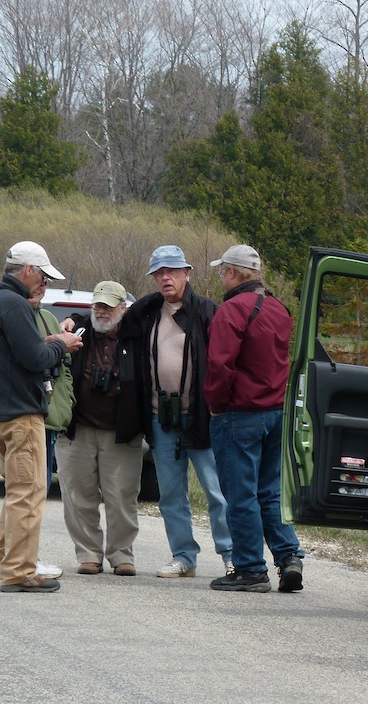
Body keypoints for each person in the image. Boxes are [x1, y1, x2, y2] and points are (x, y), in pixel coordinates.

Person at [119, 245, 233, 579]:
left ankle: (232, 555)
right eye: (159, 273)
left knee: (217, 491)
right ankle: (183, 557)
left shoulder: (207, 312)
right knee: (170, 493)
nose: (165, 278)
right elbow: (108, 321)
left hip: (201, 416)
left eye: (172, 271)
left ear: (187, 273)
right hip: (161, 417)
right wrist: (77, 320)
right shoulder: (146, 312)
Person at [0, 240, 83, 593]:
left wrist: (46, 342)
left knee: (16, 489)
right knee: (29, 491)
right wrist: (60, 346)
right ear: (28, 271)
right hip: (20, 413)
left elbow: (22, 351)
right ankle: (20, 571)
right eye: (43, 277)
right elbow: (35, 360)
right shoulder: (14, 304)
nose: (44, 285)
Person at [204, 245, 304, 594]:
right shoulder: (280, 309)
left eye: (222, 272)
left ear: (233, 273)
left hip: (241, 413)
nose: (221, 278)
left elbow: (219, 365)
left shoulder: (232, 311)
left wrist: (215, 404)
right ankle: (289, 555)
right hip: (276, 412)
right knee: (270, 491)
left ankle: (250, 568)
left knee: (241, 493)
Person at [56, 280, 144, 576]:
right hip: (77, 428)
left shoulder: (136, 336)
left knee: (121, 497)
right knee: (78, 495)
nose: (102, 311)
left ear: (123, 308)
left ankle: (121, 554)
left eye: (108, 306)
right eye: (97, 306)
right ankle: (88, 553)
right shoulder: (79, 333)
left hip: (121, 432)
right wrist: (78, 318)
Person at [27, 284, 73, 580]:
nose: (41, 288)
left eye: (45, 283)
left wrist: (66, 404)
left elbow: (63, 369)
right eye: (37, 281)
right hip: (27, 417)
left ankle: (21, 554)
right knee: (28, 492)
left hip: (50, 419)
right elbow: (29, 355)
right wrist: (53, 342)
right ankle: (27, 558)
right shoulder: (14, 316)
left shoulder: (48, 317)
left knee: (36, 491)